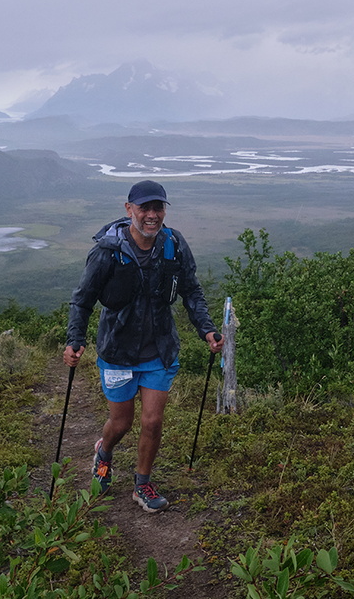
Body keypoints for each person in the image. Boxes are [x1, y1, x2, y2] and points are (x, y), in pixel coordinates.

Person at [64, 180, 223, 513]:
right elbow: (82, 300)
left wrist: (207, 330)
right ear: (129, 210)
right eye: (144, 208)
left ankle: (142, 484)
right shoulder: (107, 252)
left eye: (158, 208)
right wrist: (75, 339)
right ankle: (104, 452)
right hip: (118, 351)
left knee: (152, 421)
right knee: (121, 423)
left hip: (160, 349)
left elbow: (191, 291)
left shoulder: (173, 244)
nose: (152, 215)